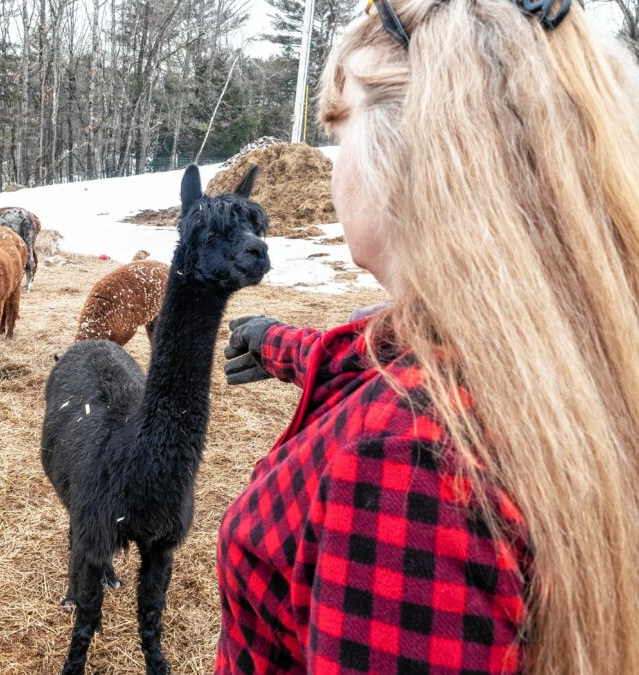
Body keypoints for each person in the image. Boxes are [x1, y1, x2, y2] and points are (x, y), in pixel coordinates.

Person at [215, 0, 639, 672]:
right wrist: (275, 343)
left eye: (338, 129)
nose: (331, 167)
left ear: (411, 147)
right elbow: (374, 352)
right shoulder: (540, 353)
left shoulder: (410, 464)